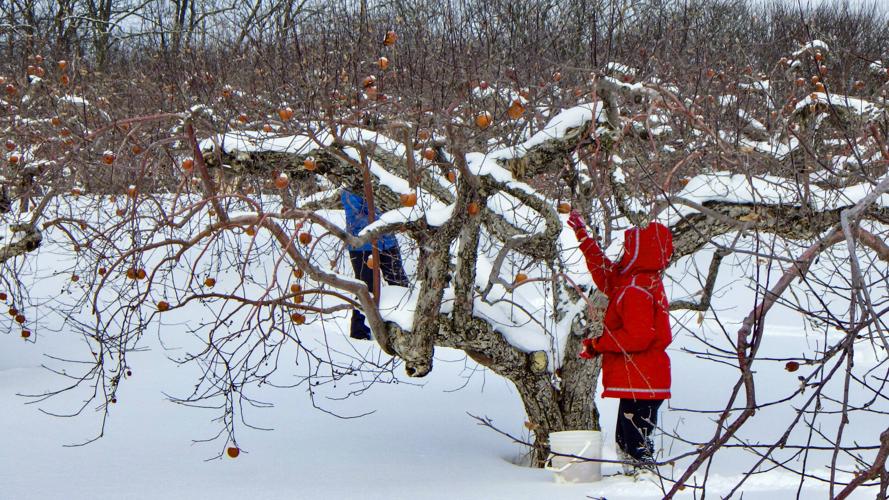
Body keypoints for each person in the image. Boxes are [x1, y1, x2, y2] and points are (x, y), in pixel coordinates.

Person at [566, 211, 673, 472]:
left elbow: (638, 337)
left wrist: (599, 344)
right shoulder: (634, 280)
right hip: (641, 381)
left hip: (643, 380)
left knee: (635, 446)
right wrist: (583, 237)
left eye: (629, 247)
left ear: (640, 251)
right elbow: (605, 274)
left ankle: (646, 485)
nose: (624, 252)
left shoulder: (637, 290)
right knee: (627, 442)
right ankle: (636, 481)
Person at [341, 188, 409, 340]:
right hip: (361, 246)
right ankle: (360, 331)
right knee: (365, 289)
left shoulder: (378, 184)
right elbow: (357, 215)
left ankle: (404, 323)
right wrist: (385, 218)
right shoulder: (349, 188)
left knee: (398, 281)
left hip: (388, 242)